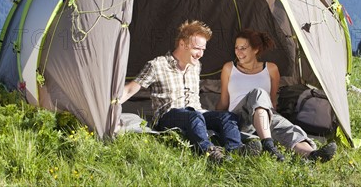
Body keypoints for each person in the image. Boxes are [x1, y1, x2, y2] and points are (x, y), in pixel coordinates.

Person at [120, 20, 261, 164]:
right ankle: (209, 152)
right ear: (182, 44)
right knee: (193, 117)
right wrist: (108, 106)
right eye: (196, 48)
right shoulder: (157, 65)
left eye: (203, 50)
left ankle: (236, 150)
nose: (200, 54)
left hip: (197, 113)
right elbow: (131, 89)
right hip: (168, 115)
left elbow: (198, 111)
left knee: (227, 117)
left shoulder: (196, 66)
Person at [216, 29, 337, 162]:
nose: (238, 52)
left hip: (263, 116)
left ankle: (313, 155)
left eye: (243, 48)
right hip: (239, 118)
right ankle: (269, 145)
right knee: (258, 92)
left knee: (286, 127)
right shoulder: (229, 68)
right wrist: (214, 120)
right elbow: (224, 101)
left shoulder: (271, 69)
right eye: (236, 48)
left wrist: (277, 121)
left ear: (255, 49)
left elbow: (272, 102)